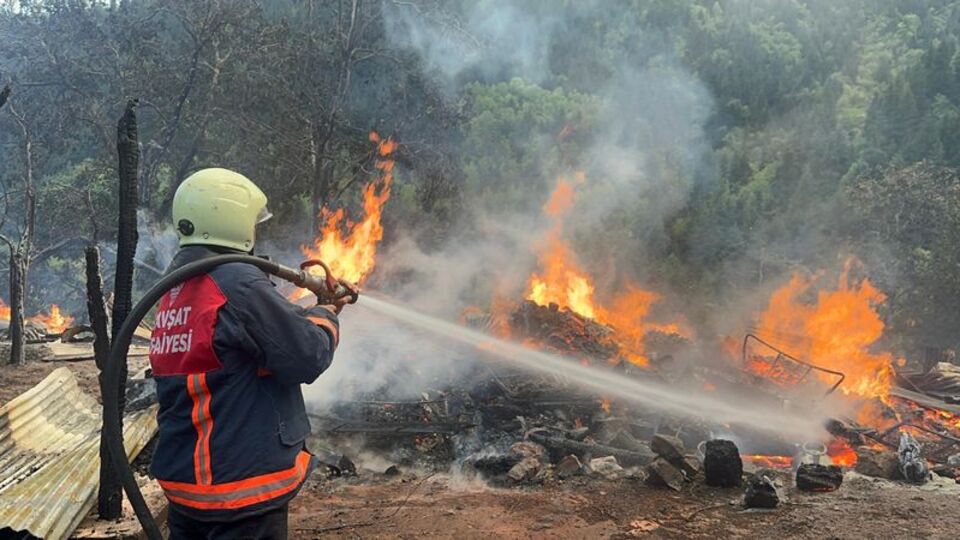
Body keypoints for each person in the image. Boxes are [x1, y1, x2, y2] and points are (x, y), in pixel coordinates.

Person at [149, 168, 348, 539]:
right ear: (234, 221)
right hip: (240, 489)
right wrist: (327, 313)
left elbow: (241, 341)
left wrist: (302, 312)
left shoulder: (176, 287)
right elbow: (307, 355)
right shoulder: (237, 281)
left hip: (188, 487)